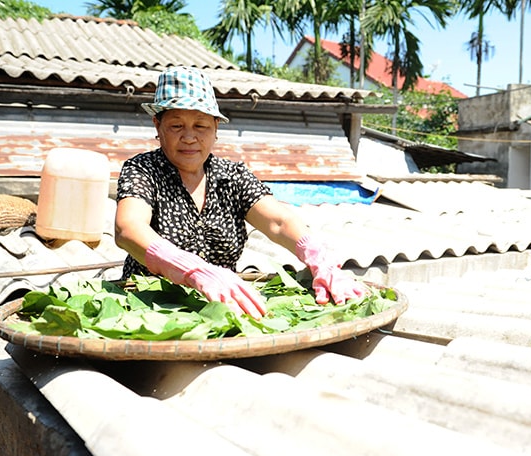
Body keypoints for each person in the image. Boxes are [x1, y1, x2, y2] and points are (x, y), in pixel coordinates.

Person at [114, 66, 366, 319]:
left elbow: (279, 222)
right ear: (157, 125)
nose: (189, 136)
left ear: (215, 128)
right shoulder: (143, 170)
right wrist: (192, 269)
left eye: (201, 125)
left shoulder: (232, 176)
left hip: (223, 308)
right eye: (176, 125)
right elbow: (128, 229)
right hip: (149, 311)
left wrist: (317, 257)